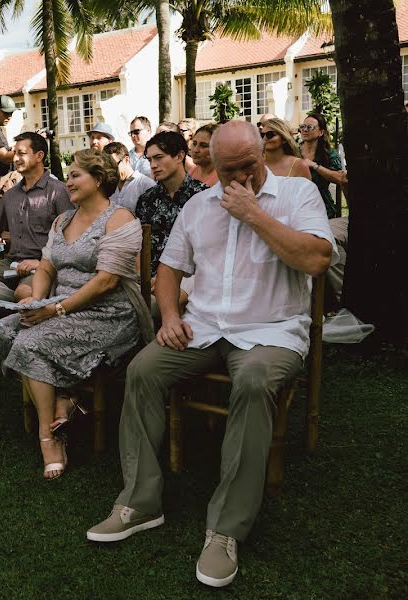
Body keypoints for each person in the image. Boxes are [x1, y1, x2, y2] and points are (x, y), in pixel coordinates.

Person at [87, 121, 336, 589]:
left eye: (248, 167)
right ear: (210, 166)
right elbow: (167, 271)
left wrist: (253, 214)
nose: (240, 179)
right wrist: (167, 316)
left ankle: (225, 529)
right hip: (202, 328)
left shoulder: (298, 196)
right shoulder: (199, 206)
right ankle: (140, 502)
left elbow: (317, 260)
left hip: (271, 330)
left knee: (255, 381)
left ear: (262, 154)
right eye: (228, 171)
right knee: (142, 370)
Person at [0, 149, 150, 479]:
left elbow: (106, 281)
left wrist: (53, 309)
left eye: (75, 176)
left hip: (108, 314)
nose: (68, 182)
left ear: (99, 179)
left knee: (29, 343)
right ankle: (65, 397)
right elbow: (46, 267)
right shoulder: (62, 220)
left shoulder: (120, 219)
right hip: (58, 309)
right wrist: (37, 302)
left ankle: (51, 436)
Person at [0, 132, 74, 302]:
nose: (15, 159)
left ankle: (17, 305)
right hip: (10, 263)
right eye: (14, 153)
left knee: (24, 293)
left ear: (39, 156)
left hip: (44, 264)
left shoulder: (58, 191)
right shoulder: (10, 195)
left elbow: (70, 238)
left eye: (21, 153)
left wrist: (42, 263)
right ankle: (15, 306)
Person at [136, 132, 208, 279]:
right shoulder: (146, 200)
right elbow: (140, 248)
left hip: (193, 282)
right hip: (150, 283)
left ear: (179, 156)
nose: (153, 165)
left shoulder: (204, 196)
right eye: (150, 160)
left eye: (159, 157)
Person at [299, 113, 344, 218]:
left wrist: (315, 166)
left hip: (322, 209)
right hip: (297, 208)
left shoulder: (329, 154)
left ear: (321, 132)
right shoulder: (293, 152)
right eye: (303, 126)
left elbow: (340, 178)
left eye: (310, 127)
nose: (305, 130)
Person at [104, 141, 156, 213]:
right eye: (107, 167)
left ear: (126, 160)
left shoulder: (146, 185)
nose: (111, 171)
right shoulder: (108, 187)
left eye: (113, 166)